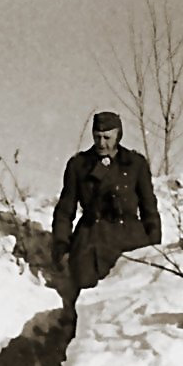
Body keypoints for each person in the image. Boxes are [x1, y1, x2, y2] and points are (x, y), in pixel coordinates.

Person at [51, 111, 161, 310]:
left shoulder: (135, 164)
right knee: (87, 304)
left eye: (107, 138)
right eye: (97, 137)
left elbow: (149, 209)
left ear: (118, 135)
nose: (101, 143)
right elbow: (65, 211)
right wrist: (61, 247)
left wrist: (155, 248)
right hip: (90, 243)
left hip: (130, 242)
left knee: (130, 306)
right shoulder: (79, 165)